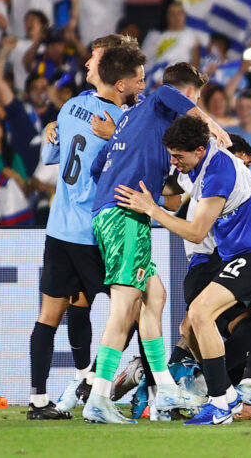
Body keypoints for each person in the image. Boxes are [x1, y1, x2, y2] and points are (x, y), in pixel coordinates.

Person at [83, 63, 229, 424]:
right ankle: (99, 397)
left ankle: (163, 384)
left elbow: (98, 166)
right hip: (124, 217)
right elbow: (168, 93)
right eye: (193, 98)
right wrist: (213, 124)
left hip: (118, 214)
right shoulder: (160, 100)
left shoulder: (134, 122)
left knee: (155, 295)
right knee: (125, 307)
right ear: (188, 96)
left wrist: (137, 172)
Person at [113, 115, 251, 426]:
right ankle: (216, 395)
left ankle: (220, 400)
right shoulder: (200, 156)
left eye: (179, 156)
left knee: (202, 314)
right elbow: (191, 109)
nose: (174, 163)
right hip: (233, 253)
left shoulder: (218, 172)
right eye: (171, 155)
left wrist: (153, 209)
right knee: (191, 324)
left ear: (200, 150)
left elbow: (195, 232)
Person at [27, 43, 145, 420]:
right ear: (122, 83)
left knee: (53, 314)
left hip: (58, 228)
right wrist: (116, 139)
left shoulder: (68, 107)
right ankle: (95, 384)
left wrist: (52, 129)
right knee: (131, 308)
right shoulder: (123, 122)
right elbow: (130, 168)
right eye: (139, 79)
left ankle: (39, 401)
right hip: (96, 233)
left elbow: (54, 153)